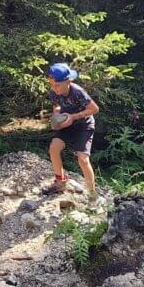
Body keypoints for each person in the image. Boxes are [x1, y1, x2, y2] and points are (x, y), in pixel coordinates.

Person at [45, 62, 99, 197]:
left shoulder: (78, 92)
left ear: (68, 81)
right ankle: (60, 182)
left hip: (84, 125)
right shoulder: (54, 92)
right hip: (66, 124)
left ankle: (92, 194)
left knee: (83, 159)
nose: (55, 88)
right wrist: (57, 115)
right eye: (52, 85)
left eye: (57, 85)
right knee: (54, 147)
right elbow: (57, 105)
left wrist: (73, 117)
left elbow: (94, 109)